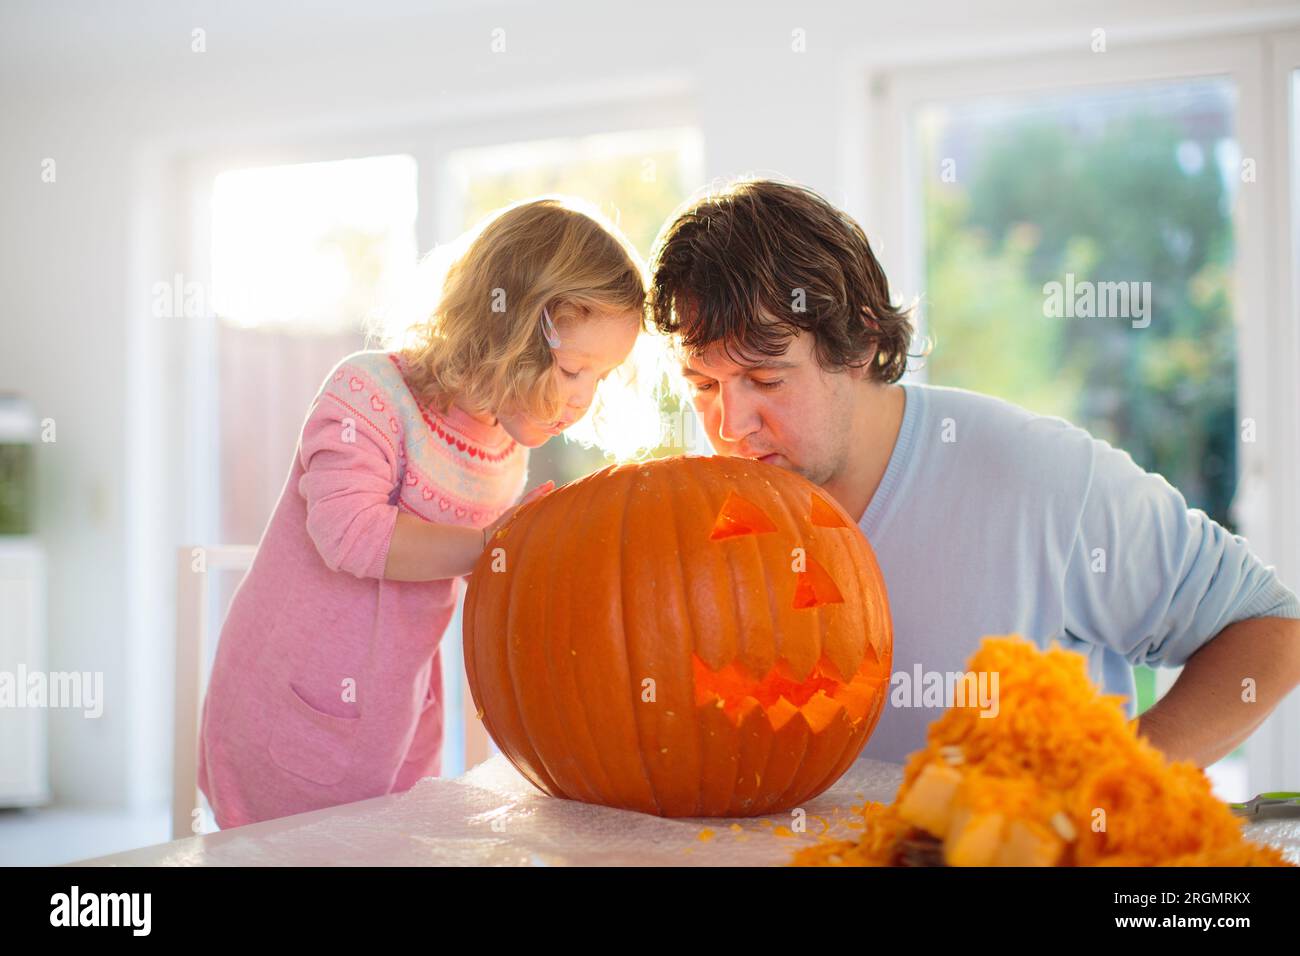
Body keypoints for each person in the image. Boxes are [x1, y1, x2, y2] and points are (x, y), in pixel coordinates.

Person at [648, 177, 1300, 766]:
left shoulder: (1035, 477)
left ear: (862, 339)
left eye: (766, 379)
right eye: (703, 384)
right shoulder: (714, 516)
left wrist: (1114, 783)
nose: (729, 425)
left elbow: (1271, 630)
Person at [198, 197, 652, 827]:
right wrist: (494, 544)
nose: (583, 399)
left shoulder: (504, 450)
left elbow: (487, 574)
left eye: (601, 379)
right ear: (509, 331)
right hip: (293, 704)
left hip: (395, 710)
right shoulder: (371, 394)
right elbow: (348, 534)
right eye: (575, 369)